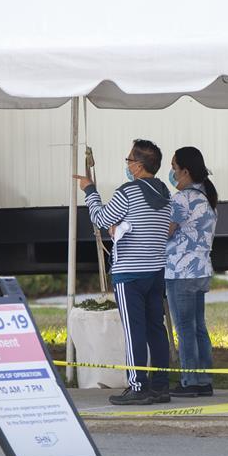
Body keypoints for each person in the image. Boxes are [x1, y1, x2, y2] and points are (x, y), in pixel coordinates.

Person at [74, 139, 172, 405]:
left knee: (134, 331)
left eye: (129, 160)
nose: (127, 165)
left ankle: (138, 387)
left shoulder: (128, 192)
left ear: (138, 166)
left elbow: (101, 219)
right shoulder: (165, 192)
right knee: (156, 328)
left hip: (129, 274)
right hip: (156, 270)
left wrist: (90, 190)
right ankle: (161, 386)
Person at [164, 147, 219, 398]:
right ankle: (204, 380)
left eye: (174, 167)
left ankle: (189, 381)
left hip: (181, 271)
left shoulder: (182, 199)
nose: (172, 173)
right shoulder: (207, 195)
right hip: (201, 270)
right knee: (198, 327)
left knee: (185, 328)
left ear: (185, 171)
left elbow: (166, 230)